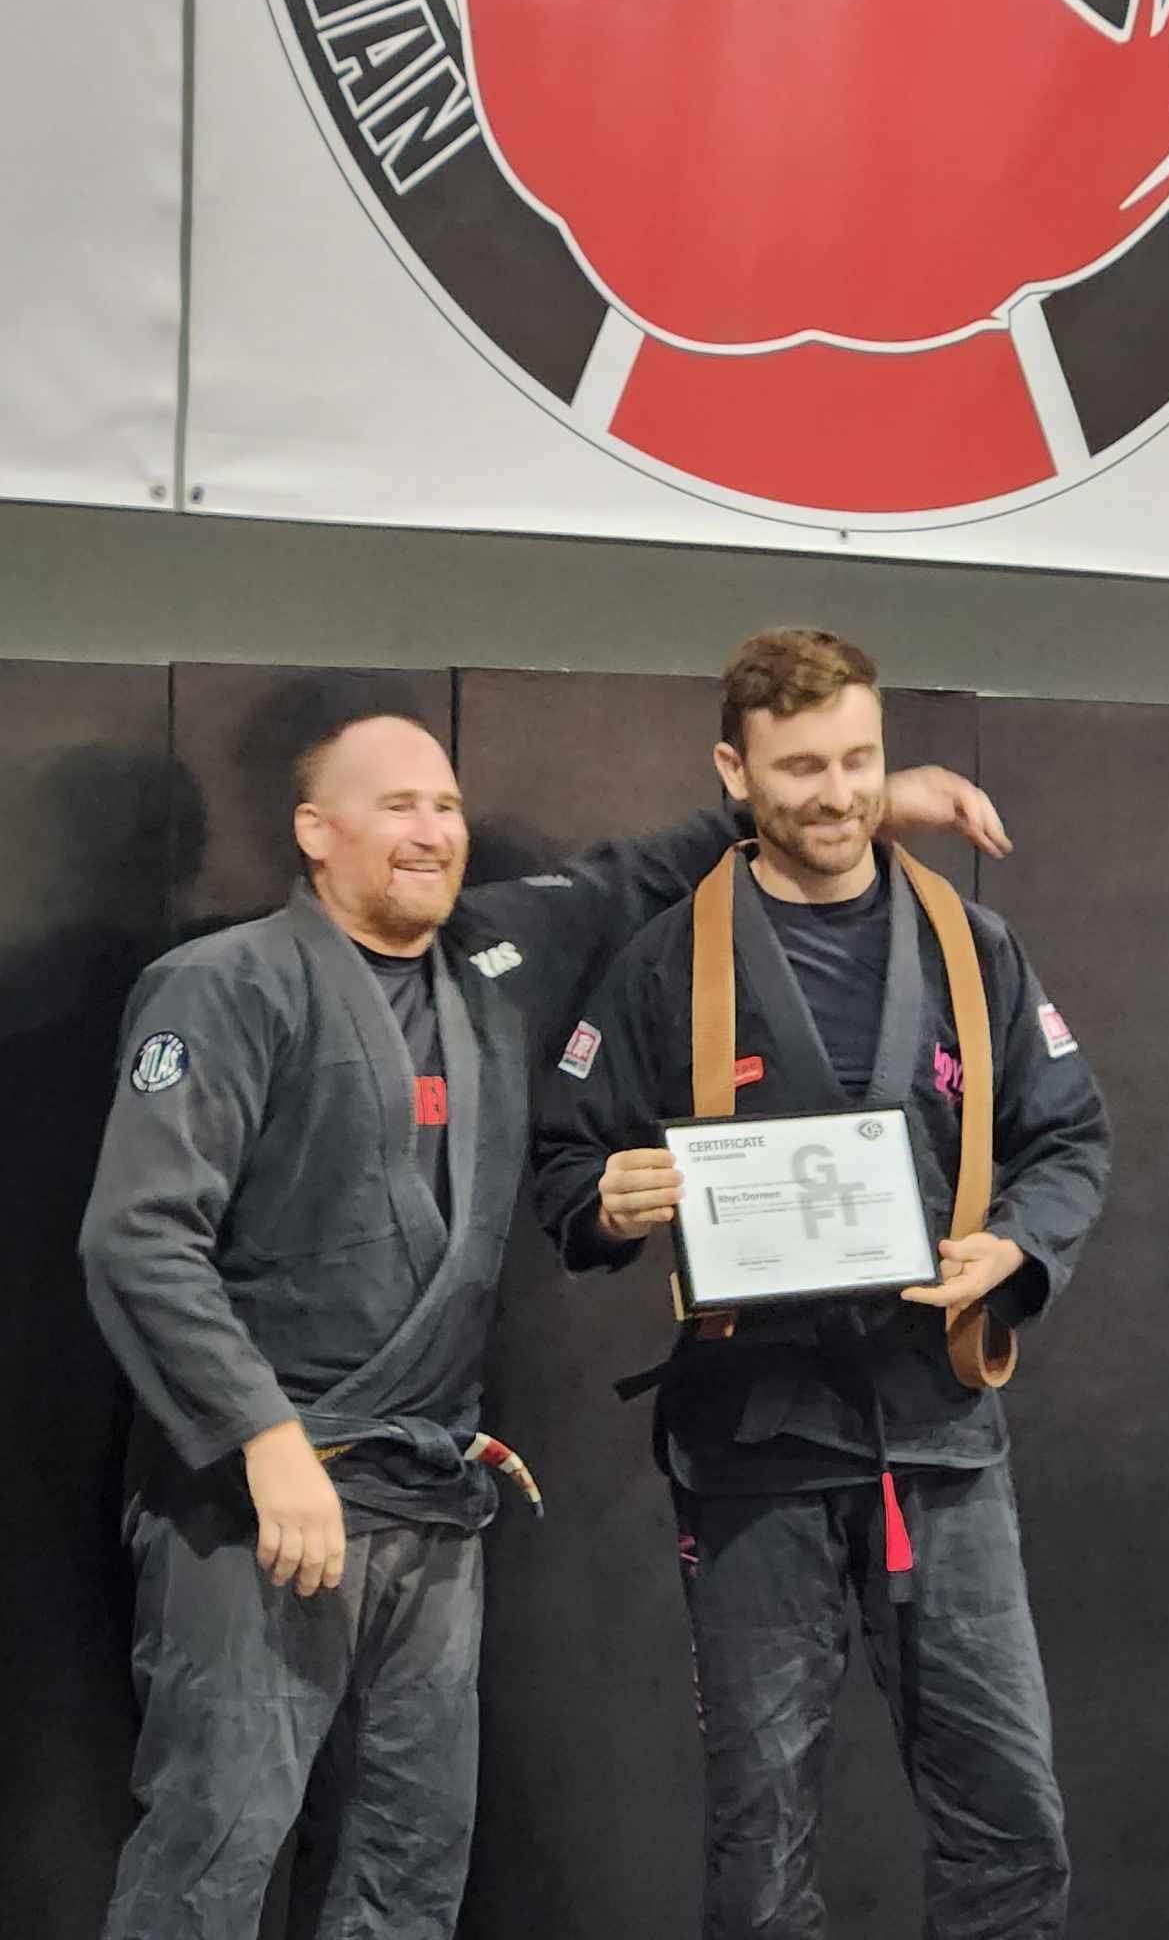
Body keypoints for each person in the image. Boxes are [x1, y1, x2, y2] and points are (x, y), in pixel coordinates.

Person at [79, 707, 1009, 1940]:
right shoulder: (224, 983)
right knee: (216, 1842)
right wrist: (262, 1435)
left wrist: (863, 804)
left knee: (409, 1863)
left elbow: (645, 872)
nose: (433, 830)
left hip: (431, 1495)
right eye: (398, 805)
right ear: (314, 831)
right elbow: (138, 1238)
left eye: (447, 806)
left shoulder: (491, 959)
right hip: (262, 1500)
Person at [532, 632, 1110, 1940]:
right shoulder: (666, 963)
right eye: (801, 767)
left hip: (938, 1438)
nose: (839, 793)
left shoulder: (974, 947)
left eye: (859, 760)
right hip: (753, 1446)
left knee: (1011, 1820)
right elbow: (566, 1159)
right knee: (761, 1843)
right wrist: (608, 1198)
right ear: (735, 771)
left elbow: (1071, 1137)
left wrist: (1014, 1247)